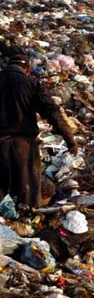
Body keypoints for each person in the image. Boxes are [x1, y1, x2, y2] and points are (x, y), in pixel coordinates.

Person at [0, 46, 77, 209]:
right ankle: (26, 226)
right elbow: (52, 112)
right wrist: (69, 139)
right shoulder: (32, 84)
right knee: (26, 194)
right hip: (23, 148)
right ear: (27, 69)